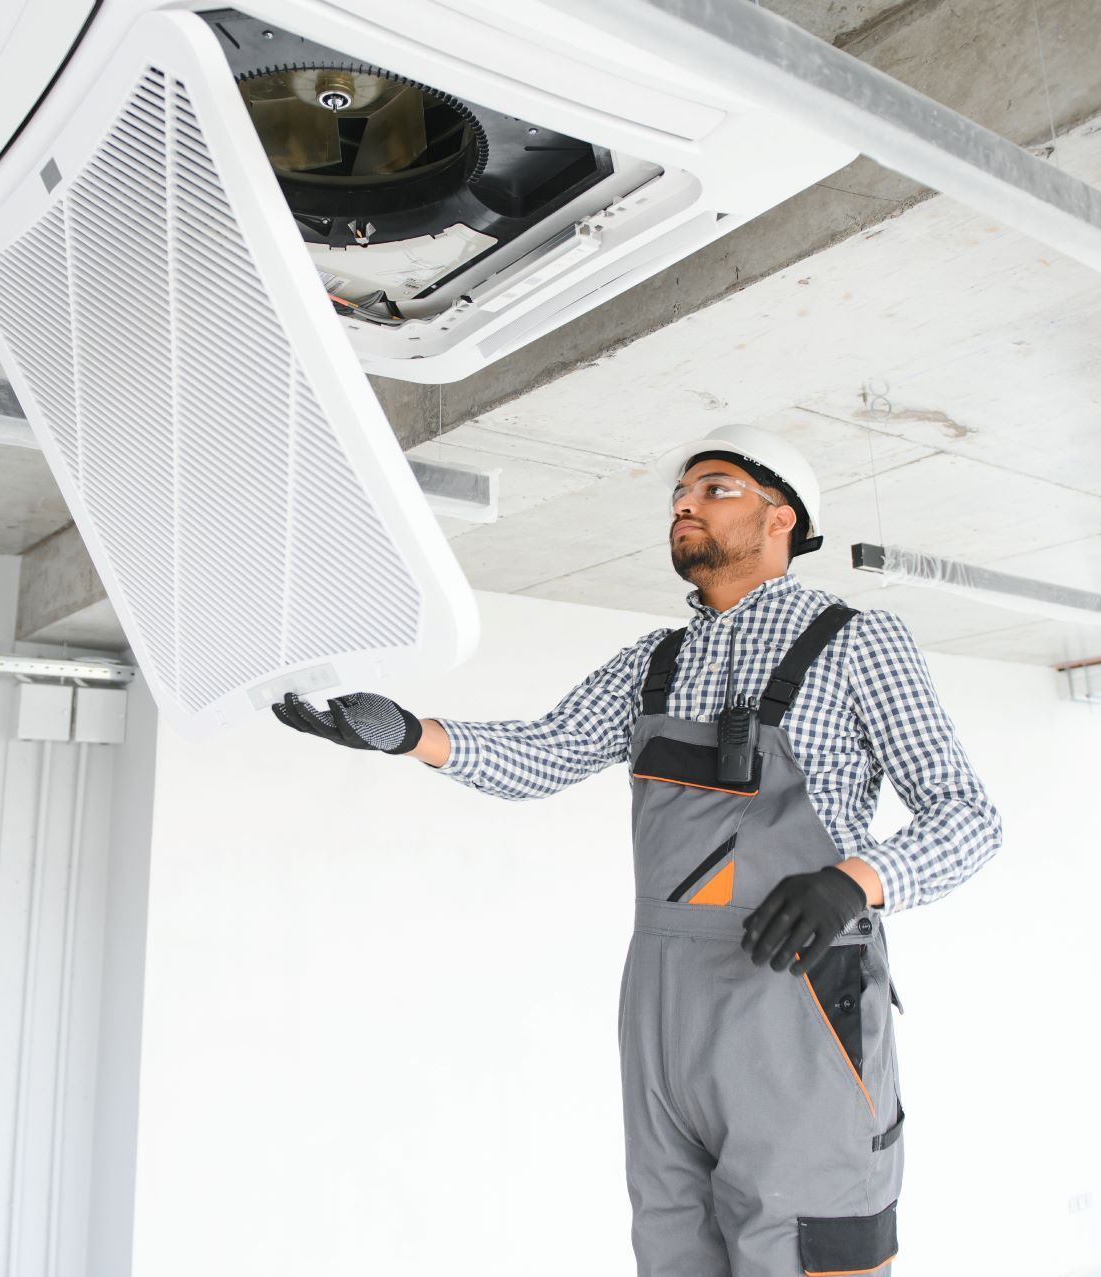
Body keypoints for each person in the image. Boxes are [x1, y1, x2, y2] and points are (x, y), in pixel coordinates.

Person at [273, 423, 1002, 1277]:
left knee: (810, 1250)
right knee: (672, 1252)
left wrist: (856, 880)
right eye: (679, 495)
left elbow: (969, 817)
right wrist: (408, 734)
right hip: (663, 1006)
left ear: (783, 520)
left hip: (798, 1005)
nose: (684, 504)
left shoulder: (855, 641)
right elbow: (545, 749)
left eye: (715, 487)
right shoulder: (653, 661)